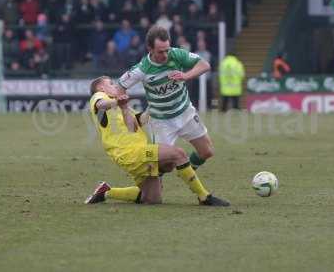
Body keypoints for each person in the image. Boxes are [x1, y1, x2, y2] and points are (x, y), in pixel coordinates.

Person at [84, 76, 229, 206]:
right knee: (178, 154)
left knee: (152, 199)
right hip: (130, 154)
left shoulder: (122, 106)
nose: (115, 86)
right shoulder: (99, 97)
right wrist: (116, 101)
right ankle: (204, 197)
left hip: (137, 155)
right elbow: (101, 104)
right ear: (101, 88)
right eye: (111, 83)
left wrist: (153, 106)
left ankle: (106, 192)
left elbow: (135, 125)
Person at [117, 25, 214, 171]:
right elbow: (120, 86)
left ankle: (188, 172)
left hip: (186, 113)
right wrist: (123, 104)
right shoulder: (142, 69)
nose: (165, 55)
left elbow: (204, 65)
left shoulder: (177, 54)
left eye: (167, 50)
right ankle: (148, 185)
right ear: (150, 49)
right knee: (163, 166)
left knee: (207, 152)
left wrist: (185, 76)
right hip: (161, 122)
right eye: (160, 51)